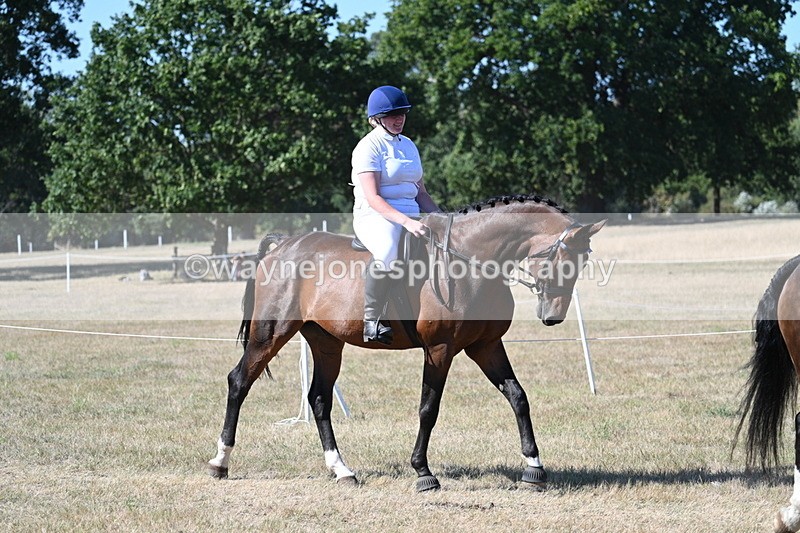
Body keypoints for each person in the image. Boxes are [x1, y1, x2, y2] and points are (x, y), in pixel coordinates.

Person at [351, 85, 441, 345]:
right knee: (389, 249)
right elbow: (374, 197)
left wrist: (444, 219)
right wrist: (406, 223)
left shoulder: (409, 146)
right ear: (377, 118)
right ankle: (372, 319)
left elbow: (420, 192)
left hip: (410, 216)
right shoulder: (368, 147)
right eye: (392, 114)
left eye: (402, 113)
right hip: (375, 215)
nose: (399, 118)